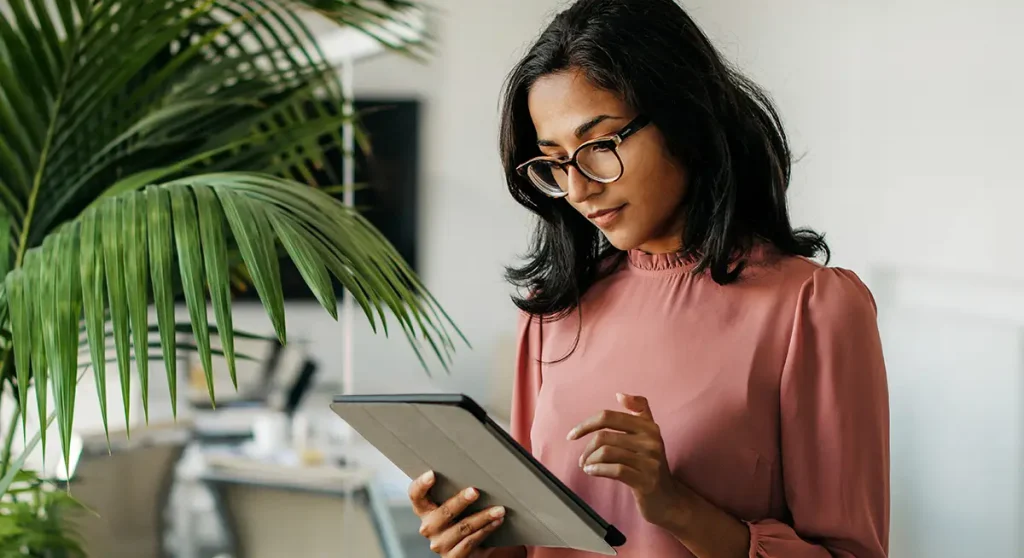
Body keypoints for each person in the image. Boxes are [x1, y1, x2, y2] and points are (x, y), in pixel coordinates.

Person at [408, 0, 890, 556]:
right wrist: (474, 541)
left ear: (685, 118)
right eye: (556, 161)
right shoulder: (553, 313)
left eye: (600, 146)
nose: (579, 187)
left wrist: (674, 504)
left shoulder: (812, 308)